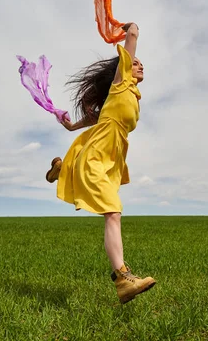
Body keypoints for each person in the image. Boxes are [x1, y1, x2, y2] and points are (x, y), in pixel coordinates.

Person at [45, 22, 156, 304]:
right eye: (136, 63)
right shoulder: (121, 83)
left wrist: (68, 124)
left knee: (113, 211)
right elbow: (131, 36)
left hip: (109, 159)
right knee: (113, 212)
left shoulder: (122, 95)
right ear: (125, 67)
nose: (140, 66)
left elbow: (78, 126)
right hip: (97, 156)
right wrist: (129, 27)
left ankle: (63, 169)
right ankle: (123, 277)